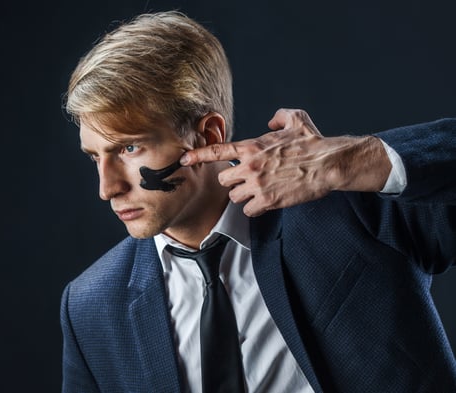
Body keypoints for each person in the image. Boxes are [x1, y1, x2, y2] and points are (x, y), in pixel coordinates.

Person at [60, 10, 456, 393]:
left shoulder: (346, 209)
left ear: (209, 136)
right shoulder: (91, 306)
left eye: (129, 148)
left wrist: (347, 161)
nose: (107, 188)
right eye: (95, 156)